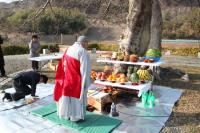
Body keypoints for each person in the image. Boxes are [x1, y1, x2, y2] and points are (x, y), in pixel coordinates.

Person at [54, 35, 91, 122]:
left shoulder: (68, 49)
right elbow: (85, 70)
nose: (87, 46)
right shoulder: (82, 51)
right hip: (76, 80)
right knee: (76, 101)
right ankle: (75, 118)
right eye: (87, 43)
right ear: (83, 43)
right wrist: (85, 84)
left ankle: (66, 116)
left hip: (66, 79)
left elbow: (62, 64)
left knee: (66, 98)